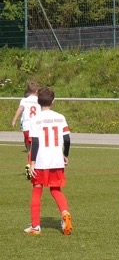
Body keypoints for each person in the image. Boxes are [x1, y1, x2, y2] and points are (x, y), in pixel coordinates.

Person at [24, 87, 73, 236]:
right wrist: (65, 154)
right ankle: (65, 213)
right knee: (56, 190)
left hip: (41, 160)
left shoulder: (35, 119)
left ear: (38, 102)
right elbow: (67, 139)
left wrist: (32, 162)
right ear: (53, 102)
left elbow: (35, 142)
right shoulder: (60, 117)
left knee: (37, 190)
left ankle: (35, 226)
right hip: (56, 160)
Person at [12, 82, 41, 175]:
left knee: (29, 149)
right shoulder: (39, 100)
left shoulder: (24, 100)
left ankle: (29, 164)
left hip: (27, 127)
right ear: (36, 91)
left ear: (28, 91)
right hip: (37, 126)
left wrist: (14, 120)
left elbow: (20, 109)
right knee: (37, 147)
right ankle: (33, 166)